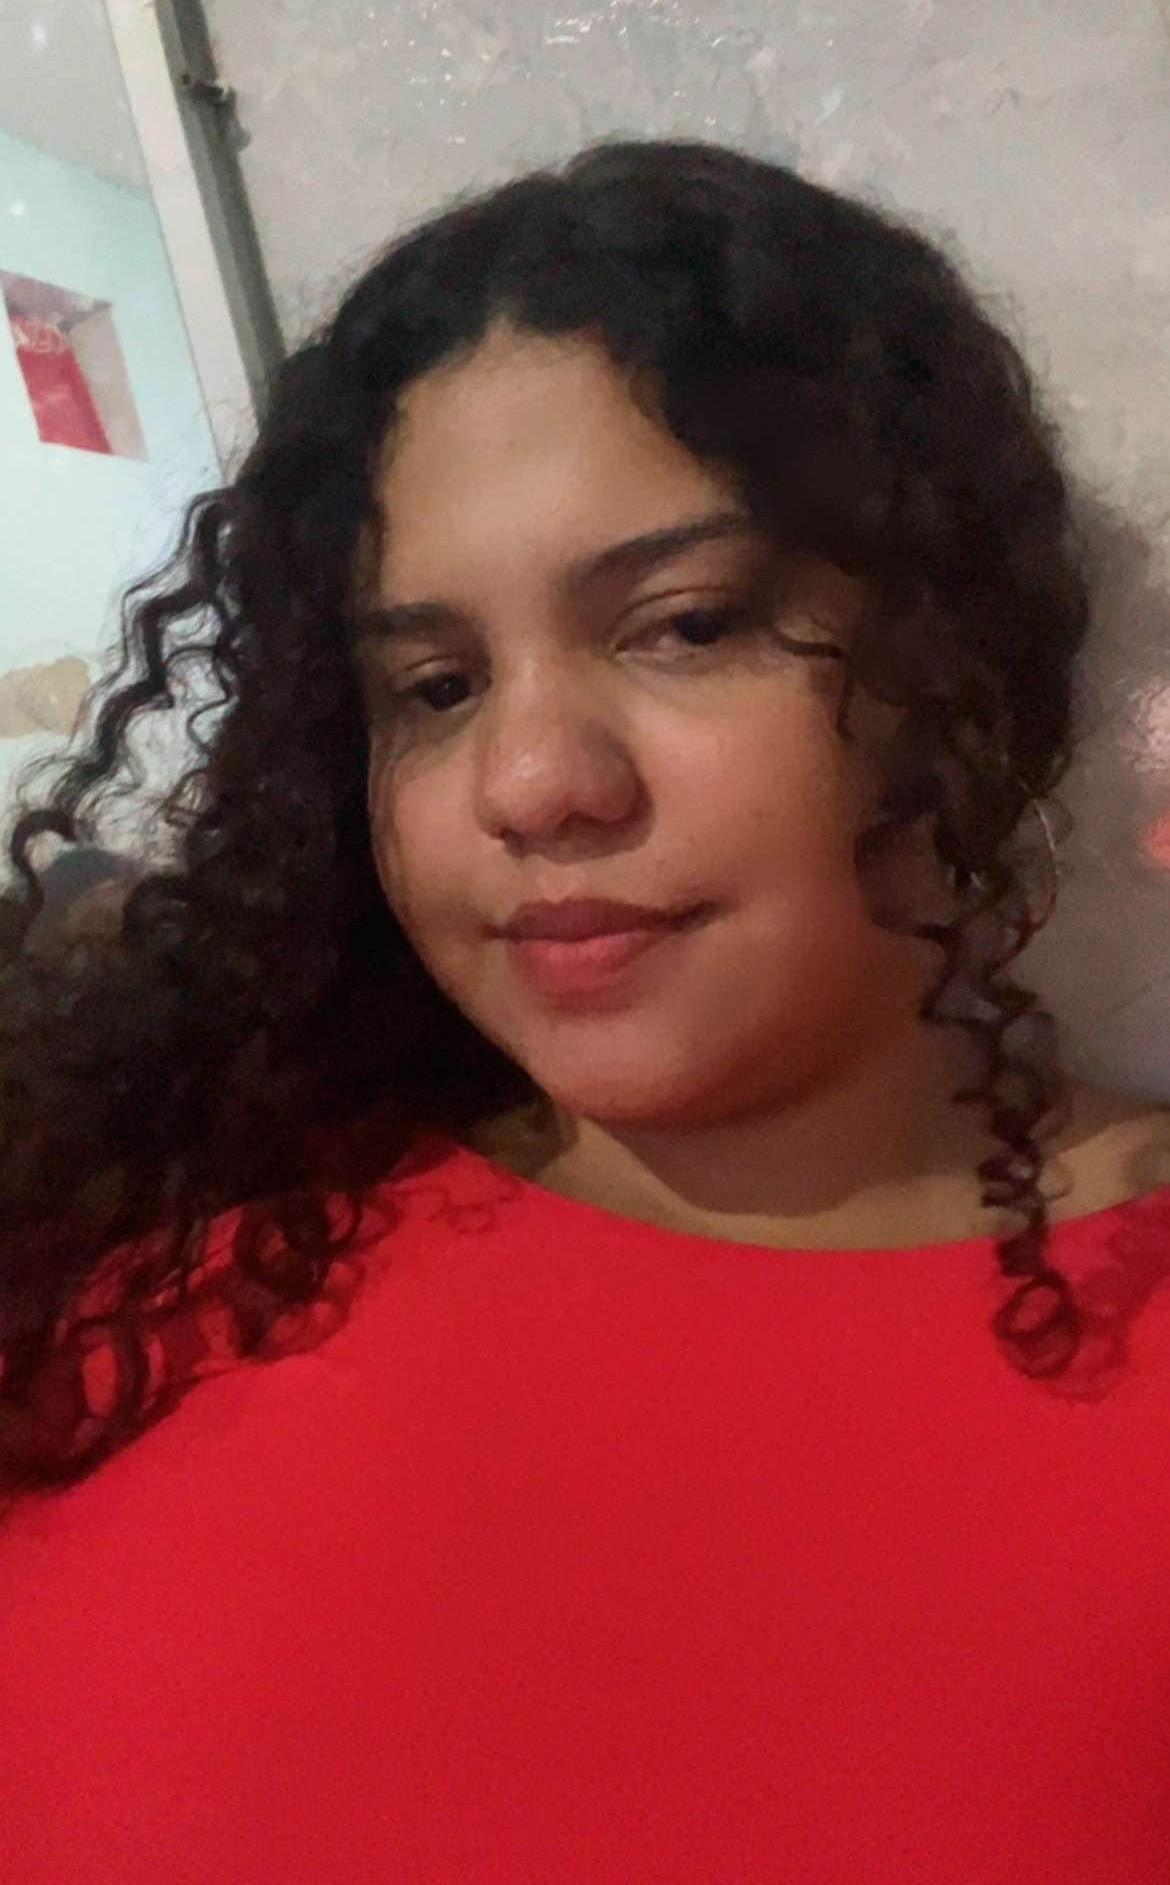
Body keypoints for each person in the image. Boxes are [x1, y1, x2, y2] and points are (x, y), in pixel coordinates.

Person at [0, 140, 1168, 1883]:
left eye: (683, 627)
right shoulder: (151, 1282)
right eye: (434, 687)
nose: (531, 782)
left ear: (945, 661)